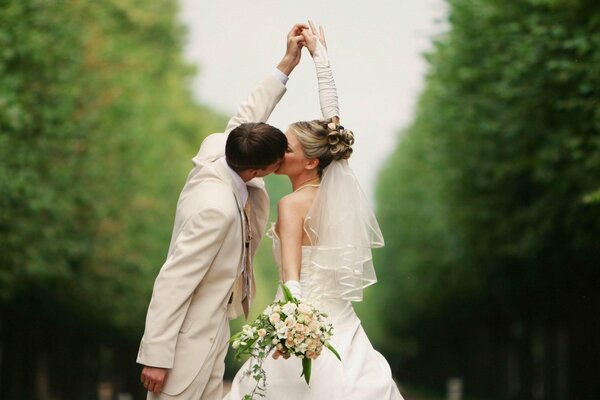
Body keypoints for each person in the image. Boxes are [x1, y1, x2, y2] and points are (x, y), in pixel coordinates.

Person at [224, 22, 404, 400]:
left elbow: (292, 279)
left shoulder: (291, 205)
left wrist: (292, 325)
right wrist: (320, 59)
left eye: (287, 149)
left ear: (309, 163)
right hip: (340, 321)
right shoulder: (333, 192)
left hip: (301, 321)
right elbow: (332, 121)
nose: (279, 152)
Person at [136, 23, 309, 400]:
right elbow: (175, 279)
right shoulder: (215, 210)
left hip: (215, 326)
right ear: (257, 171)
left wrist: (287, 64)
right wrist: (156, 356)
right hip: (188, 341)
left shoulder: (222, 150)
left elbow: (247, 115)